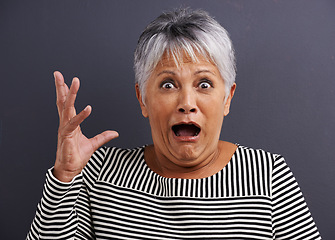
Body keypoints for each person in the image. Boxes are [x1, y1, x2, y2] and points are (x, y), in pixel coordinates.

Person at [27, 8, 321, 239]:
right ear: (143, 98)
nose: (187, 102)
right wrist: (64, 178)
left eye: (204, 84)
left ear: (227, 98)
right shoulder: (99, 171)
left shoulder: (268, 177)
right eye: (168, 84)